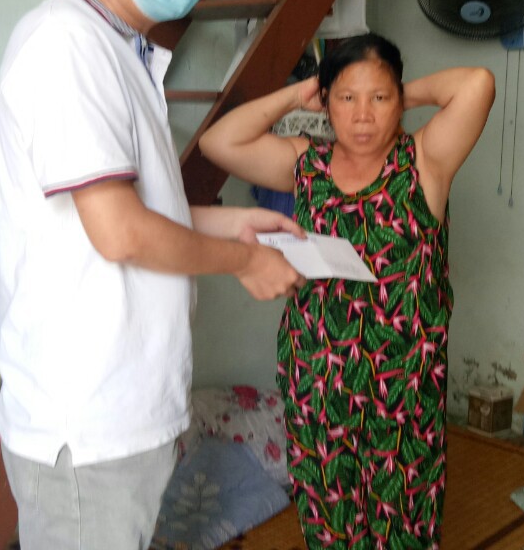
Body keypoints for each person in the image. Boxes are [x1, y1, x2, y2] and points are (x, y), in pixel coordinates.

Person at [0, 0, 304, 549]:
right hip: (87, 422)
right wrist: (245, 261)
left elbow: (132, 211)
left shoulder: (123, 52)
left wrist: (233, 223)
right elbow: (121, 233)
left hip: (126, 410)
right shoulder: (66, 45)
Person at [199, 34, 495, 548]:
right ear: (326, 102)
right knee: (329, 522)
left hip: (402, 391)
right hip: (317, 381)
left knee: (403, 524)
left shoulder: (424, 160)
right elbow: (217, 143)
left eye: (378, 98)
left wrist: (394, 92)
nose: (362, 115)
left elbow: (478, 84)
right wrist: (297, 96)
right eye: (346, 98)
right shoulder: (306, 165)